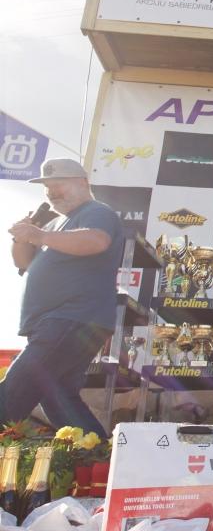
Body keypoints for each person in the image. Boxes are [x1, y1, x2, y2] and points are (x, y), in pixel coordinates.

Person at [3, 158, 124, 438]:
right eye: (48, 187)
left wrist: (40, 234)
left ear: (83, 183)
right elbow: (23, 263)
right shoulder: (55, 224)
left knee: (14, 391)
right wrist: (22, 237)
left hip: (72, 318)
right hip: (57, 323)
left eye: (59, 184)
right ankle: (97, 456)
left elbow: (96, 241)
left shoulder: (97, 211)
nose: (52, 192)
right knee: (58, 396)